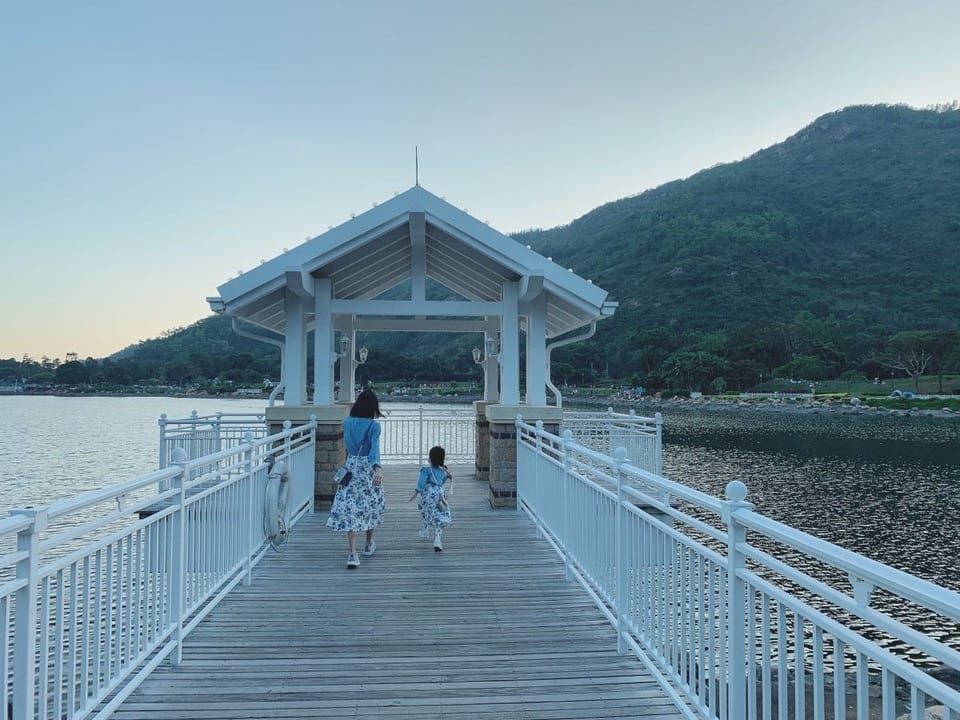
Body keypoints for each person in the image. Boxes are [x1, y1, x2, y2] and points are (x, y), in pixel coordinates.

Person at [325, 388, 385, 569]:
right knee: (371, 504)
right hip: (367, 468)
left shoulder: (346, 423)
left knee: (350, 507)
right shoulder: (374, 426)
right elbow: (374, 449)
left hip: (351, 467)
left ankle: (352, 553)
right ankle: (368, 543)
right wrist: (378, 468)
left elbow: (349, 446)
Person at [409, 445, 452, 551]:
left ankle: (425, 528)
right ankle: (437, 539)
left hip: (427, 497)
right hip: (439, 497)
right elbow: (441, 483)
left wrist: (415, 492)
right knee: (440, 515)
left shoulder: (426, 470)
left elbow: (421, 483)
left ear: (430, 459)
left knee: (425, 511)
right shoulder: (443, 471)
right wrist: (447, 477)